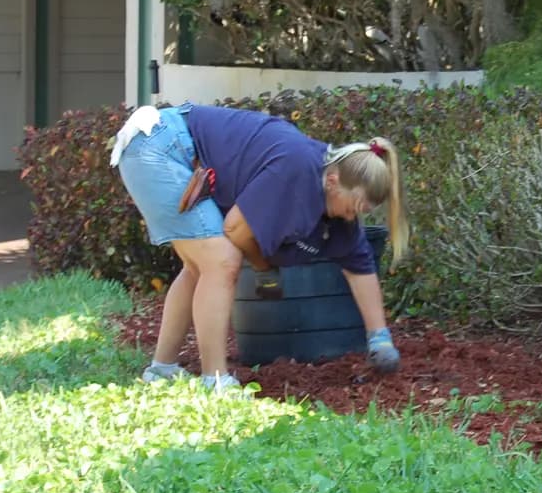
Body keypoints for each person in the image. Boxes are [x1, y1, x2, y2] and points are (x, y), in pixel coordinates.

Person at [108, 101, 411, 389]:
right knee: (221, 260)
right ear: (332, 180)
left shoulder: (334, 208)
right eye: (355, 205)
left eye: (363, 211)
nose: (354, 215)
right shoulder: (298, 169)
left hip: (162, 144)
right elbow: (235, 228)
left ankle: (162, 369)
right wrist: (264, 269)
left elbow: (360, 268)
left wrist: (379, 337)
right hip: (160, 145)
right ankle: (215, 381)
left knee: (199, 266)